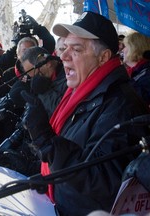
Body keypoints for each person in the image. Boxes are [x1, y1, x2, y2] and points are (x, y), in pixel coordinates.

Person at [21, 11, 150, 215]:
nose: (63, 56)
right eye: (64, 48)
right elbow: (74, 150)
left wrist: (46, 141)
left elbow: (102, 183)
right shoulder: (81, 93)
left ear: (103, 57)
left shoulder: (122, 106)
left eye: (76, 49)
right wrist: (48, 178)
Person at [0, 47, 67, 176]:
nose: (32, 77)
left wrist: (42, 93)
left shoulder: (67, 78)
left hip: (55, 150)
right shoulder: (45, 79)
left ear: (46, 62)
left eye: (35, 71)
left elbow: (59, 109)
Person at [122, 31, 150, 106]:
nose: (122, 50)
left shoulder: (147, 75)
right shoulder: (136, 71)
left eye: (125, 46)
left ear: (134, 48)